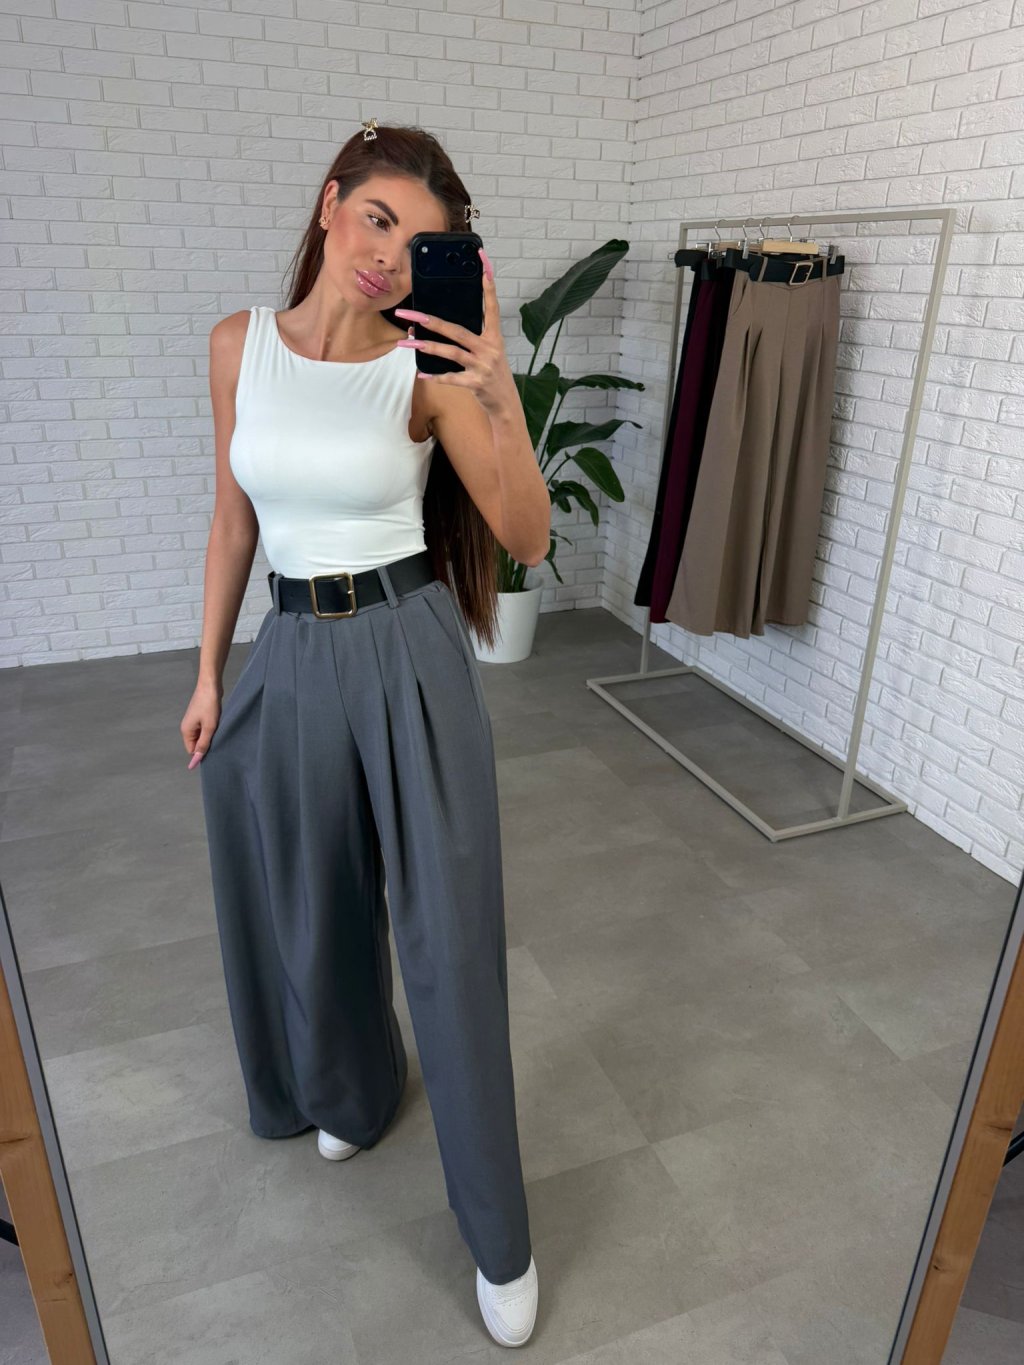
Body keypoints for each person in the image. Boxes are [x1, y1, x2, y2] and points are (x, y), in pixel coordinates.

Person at [179, 120, 550, 1348]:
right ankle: (350, 1089)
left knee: (448, 941)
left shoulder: (426, 370)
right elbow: (233, 522)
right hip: (292, 651)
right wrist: (209, 674)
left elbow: (526, 536)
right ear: (332, 204)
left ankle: (499, 1238)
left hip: (409, 651)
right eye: (380, 218)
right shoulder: (238, 346)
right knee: (315, 909)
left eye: (419, 241)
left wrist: (496, 391)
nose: (389, 254)